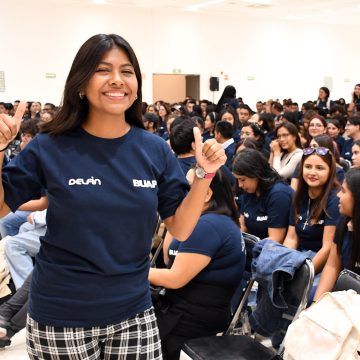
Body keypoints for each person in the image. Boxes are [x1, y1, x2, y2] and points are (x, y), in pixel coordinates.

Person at [0, 33, 226, 359]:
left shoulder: (154, 151)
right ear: (81, 83)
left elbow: (181, 228)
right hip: (62, 315)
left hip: (133, 313)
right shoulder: (50, 146)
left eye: (127, 71)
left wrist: (204, 176)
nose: (117, 80)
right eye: (103, 70)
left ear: (136, 85)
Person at [149, 168, 246, 360]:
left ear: (206, 194)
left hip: (191, 319)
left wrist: (130, 271)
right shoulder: (205, 220)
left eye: (186, 188)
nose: (179, 193)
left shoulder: (209, 226)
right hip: (186, 308)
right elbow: (170, 259)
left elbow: (174, 278)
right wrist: (175, 216)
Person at [283, 147, 340, 301]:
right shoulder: (297, 197)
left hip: (321, 263)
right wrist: (286, 265)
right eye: (308, 167)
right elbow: (291, 238)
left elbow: (327, 247)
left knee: (303, 293)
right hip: (300, 257)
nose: (312, 172)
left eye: (320, 168)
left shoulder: (335, 200)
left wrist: (304, 273)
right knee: (274, 281)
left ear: (330, 171)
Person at [314, 168, 360, 301]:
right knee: (309, 301)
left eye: (344, 191)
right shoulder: (344, 221)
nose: (338, 195)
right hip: (343, 294)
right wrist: (316, 304)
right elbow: (332, 266)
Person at [232, 148, 293, 242]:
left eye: (243, 179)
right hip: (255, 246)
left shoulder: (279, 194)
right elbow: (242, 226)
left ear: (256, 174)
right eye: (238, 180)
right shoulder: (249, 190)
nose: (240, 185)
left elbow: (276, 239)